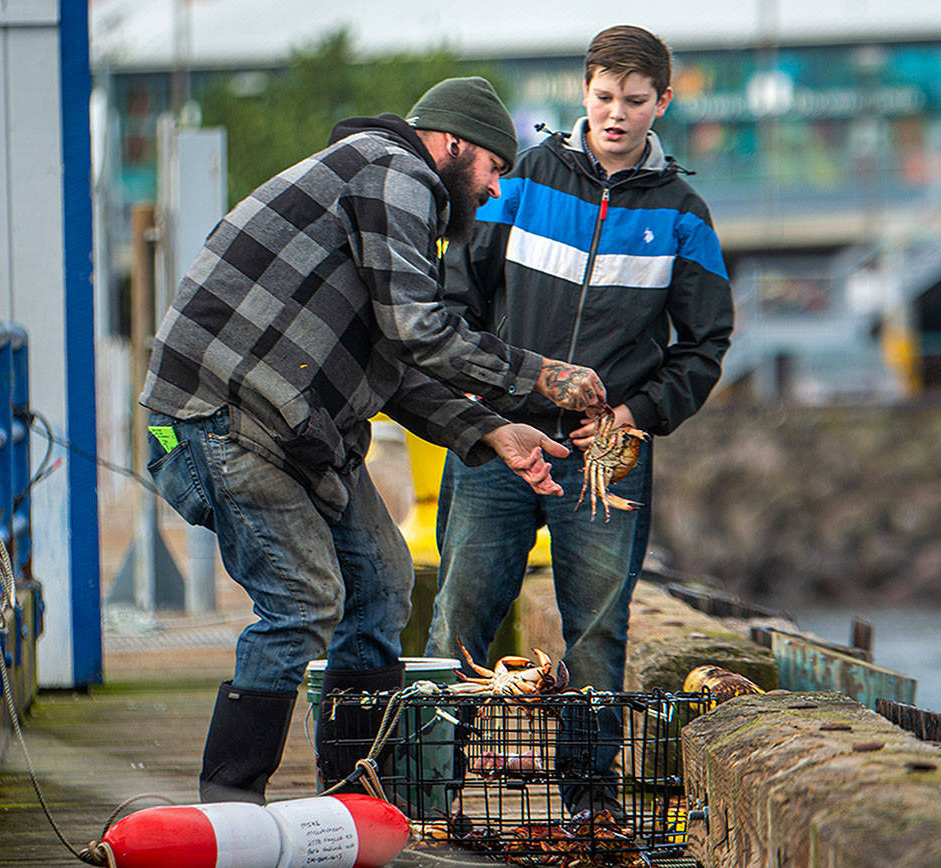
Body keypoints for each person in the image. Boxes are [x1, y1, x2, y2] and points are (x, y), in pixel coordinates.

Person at [139, 76, 608, 804]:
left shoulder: (385, 191)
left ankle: (355, 796)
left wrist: (492, 433)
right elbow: (421, 328)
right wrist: (539, 376)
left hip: (294, 430)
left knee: (384, 580)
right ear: (454, 142)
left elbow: (395, 368)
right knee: (302, 601)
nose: (492, 192)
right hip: (220, 419)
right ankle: (229, 803)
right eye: (493, 170)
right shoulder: (394, 170)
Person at [424, 27, 733, 816]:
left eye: (635, 102)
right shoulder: (521, 181)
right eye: (603, 98)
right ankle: (423, 791)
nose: (616, 115)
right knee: (459, 614)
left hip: (604, 460)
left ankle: (590, 805)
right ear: (583, 91)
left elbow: (705, 347)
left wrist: (634, 413)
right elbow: (456, 299)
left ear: (662, 102)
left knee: (597, 632)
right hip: (496, 442)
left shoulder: (685, 218)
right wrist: (480, 408)